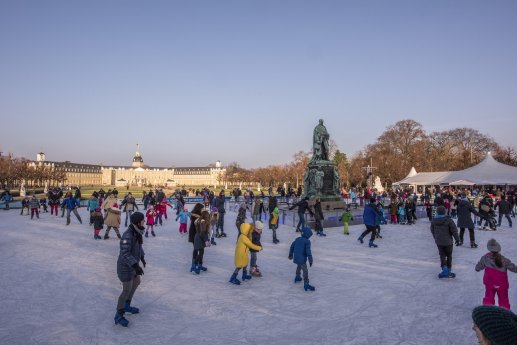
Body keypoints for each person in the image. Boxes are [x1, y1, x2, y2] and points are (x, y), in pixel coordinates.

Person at [114, 212, 146, 328]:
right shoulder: (128, 234)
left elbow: (138, 247)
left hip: (132, 265)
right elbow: (125, 253)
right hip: (125, 267)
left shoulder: (136, 232)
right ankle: (119, 314)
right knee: (126, 289)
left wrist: (142, 257)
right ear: (138, 222)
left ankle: (127, 305)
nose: (144, 221)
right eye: (143, 220)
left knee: (137, 282)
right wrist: (135, 266)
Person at [475, 239, 517, 310]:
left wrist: (477, 268)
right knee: (504, 299)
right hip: (501, 285)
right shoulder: (504, 260)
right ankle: (505, 313)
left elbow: (478, 267)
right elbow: (514, 268)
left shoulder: (485, 258)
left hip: (489, 283)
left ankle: (487, 312)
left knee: (488, 298)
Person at [430, 206, 460, 278]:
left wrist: (436, 237)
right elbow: (454, 230)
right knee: (449, 256)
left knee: (442, 255)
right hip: (448, 242)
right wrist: (457, 239)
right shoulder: (449, 220)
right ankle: (448, 271)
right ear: (445, 211)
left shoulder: (434, 220)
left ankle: (444, 269)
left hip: (439, 241)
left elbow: (432, 230)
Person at [289, 226, 315, 291]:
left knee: (299, 265)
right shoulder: (307, 241)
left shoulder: (297, 239)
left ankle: (297, 276)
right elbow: (308, 251)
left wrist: (290, 254)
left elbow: (292, 246)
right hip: (302, 258)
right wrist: (310, 260)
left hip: (296, 257)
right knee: (305, 270)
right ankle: (306, 283)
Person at [188, 203, 204, 272]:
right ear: (199, 209)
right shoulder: (195, 216)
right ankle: (193, 266)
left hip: (199, 234)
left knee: (201, 250)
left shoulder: (199, 215)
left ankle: (200, 265)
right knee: (196, 249)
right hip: (194, 234)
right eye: (202, 209)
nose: (203, 210)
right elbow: (197, 226)